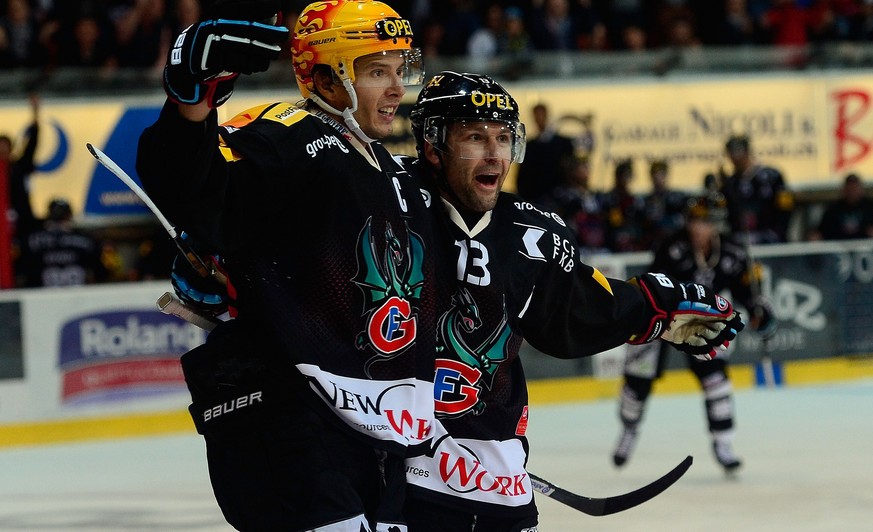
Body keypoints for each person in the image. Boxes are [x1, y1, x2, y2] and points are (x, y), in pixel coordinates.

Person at [400, 71, 745, 531]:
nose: (495, 154)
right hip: (380, 468)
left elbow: (578, 310)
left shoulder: (532, 232)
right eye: (476, 137)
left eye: (503, 138)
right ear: (433, 145)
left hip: (488, 472)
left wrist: (653, 307)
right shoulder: (379, 195)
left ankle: (709, 441)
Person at [136, 1, 435, 530]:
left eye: (399, 70)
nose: (396, 89)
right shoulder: (288, 132)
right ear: (326, 77)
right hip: (292, 418)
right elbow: (191, 185)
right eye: (376, 72)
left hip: (375, 430)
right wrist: (192, 98)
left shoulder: (391, 170)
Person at [612, 193, 775, 475]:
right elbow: (650, 287)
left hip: (699, 321)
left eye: (704, 222)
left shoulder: (733, 252)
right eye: (693, 221)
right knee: (636, 383)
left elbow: (748, 291)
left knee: (717, 381)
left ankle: (723, 443)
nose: (697, 228)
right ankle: (629, 429)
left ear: (716, 224)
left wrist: (758, 309)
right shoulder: (672, 248)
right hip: (659, 318)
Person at [16, 198, 109, 287]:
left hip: (41, 295)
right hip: (79, 295)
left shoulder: (30, 242)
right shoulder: (87, 241)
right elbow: (102, 273)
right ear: (68, 216)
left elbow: (20, 273)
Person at [720, 134, 794, 244]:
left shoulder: (772, 176)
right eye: (732, 154)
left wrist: (778, 232)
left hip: (771, 237)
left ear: (747, 152)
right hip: (742, 239)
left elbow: (786, 206)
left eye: (738, 152)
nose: (735, 158)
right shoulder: (731, 183)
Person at [513, 101, 575, 205]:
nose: (539, 119)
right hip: (535, 196)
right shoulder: (529, 146)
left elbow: (570, 169)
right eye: (536, 116)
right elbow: (523, 175)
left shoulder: (563, 143)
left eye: (541, 115)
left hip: (559, 196)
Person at [1, 92, 40, 238]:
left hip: (22, 220)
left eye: (5, 147)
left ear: (11, 149)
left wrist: (35, 112)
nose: (2, 151)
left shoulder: (19, 166)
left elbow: (32, 143)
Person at [639, 159, 688, 251]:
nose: (657, 177)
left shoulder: (676, 197)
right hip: (654, 243)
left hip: (675, 241)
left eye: (661, 174)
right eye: (655, 174)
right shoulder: (646, 201)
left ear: (666, 176)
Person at [808, 173, 873, 241]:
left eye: (854, 188)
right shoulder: (833, 209)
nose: (852, 192)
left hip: (865, 246)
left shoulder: (869, 207)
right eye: (849, 188)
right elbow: (820, 231)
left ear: (861, 189)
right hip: (837, 246)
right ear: (844, 190)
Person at [602, 158, 646, 252]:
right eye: (623, 175)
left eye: (628, 176)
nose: (625, 179)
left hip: (632, 240)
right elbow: (615, 222)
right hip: (613, 241)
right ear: (617, 177)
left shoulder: (634, 200)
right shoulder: (610, 199)